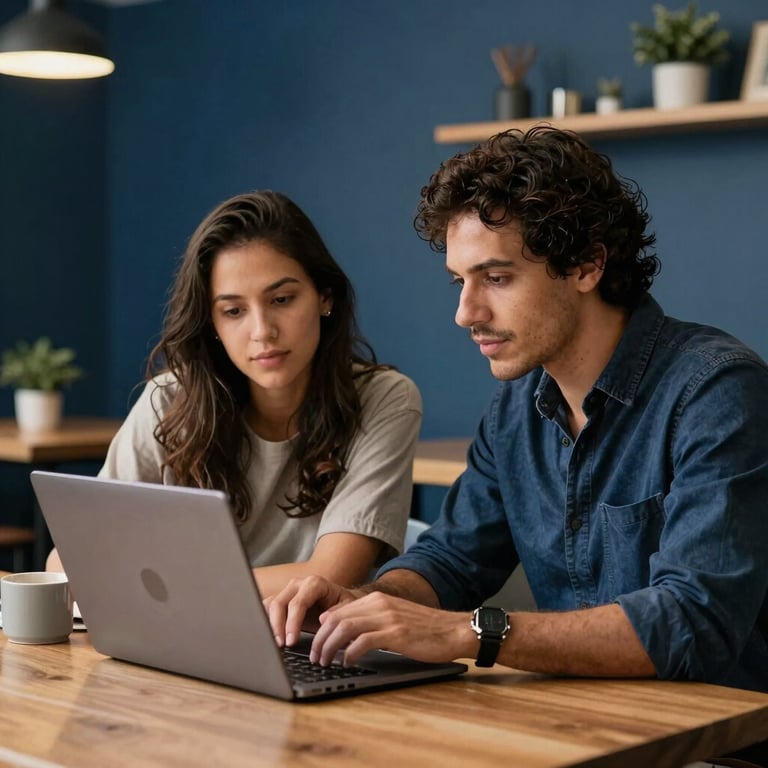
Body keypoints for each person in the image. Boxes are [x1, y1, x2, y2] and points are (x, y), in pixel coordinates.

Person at [267, 127, 768, 696]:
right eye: (460, 281)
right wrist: (367, 605)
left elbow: (694, 624)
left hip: (717, 743)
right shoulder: (517, 408)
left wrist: (472, 633)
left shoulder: (717, 392)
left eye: (497, 278)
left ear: (586, 265)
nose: (465, 312)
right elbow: (452, 560)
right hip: (585, 725)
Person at [47, 190, 422, 597]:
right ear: (212, 323)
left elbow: (329, 578)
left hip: (309, 647)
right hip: (179, 641)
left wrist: (164, 584)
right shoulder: (169, 400)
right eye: (234, 311)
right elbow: (70, 556)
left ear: (324, 297)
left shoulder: (385, 399)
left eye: (281, 299)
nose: (262, 331)